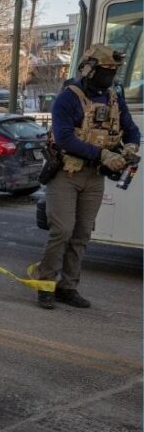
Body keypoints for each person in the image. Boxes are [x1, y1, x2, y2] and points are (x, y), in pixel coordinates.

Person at [30, 44, 140, 309]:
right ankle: (46, 285)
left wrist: (130, 149)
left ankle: (68, 287)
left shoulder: (114, 98)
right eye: (105, 70)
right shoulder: (68, 98)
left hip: (94, 178)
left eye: (113, 71)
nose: (109, 76)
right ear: (89, 69)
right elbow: (66, 138)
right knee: (62, 230)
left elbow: (131, 130)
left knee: (82, 233)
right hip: (67, 173)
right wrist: (103, 154)